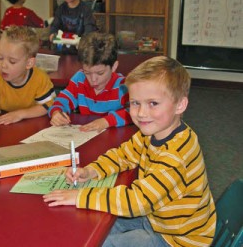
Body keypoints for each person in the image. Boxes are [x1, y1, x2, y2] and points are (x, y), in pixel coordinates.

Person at [43, 56, 217, 246]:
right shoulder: (151, 132)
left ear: (180, 105)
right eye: (135, 103)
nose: (141, 113)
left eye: (153, 103)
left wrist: (80, 196)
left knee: (102, 240)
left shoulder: (175, 156)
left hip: (177, 239)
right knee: (95, 226)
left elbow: (137, 201)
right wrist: (91, 170)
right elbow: (123, 154)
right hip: (157, 218)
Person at [48, 32, 132, 132]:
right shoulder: (80, 79)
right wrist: (56, 112)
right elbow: (63, 99)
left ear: (114, 66)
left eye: (100, 73)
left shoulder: (123, 86)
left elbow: (135, 112)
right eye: (87, 72)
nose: (93, 79)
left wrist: (106, 121)